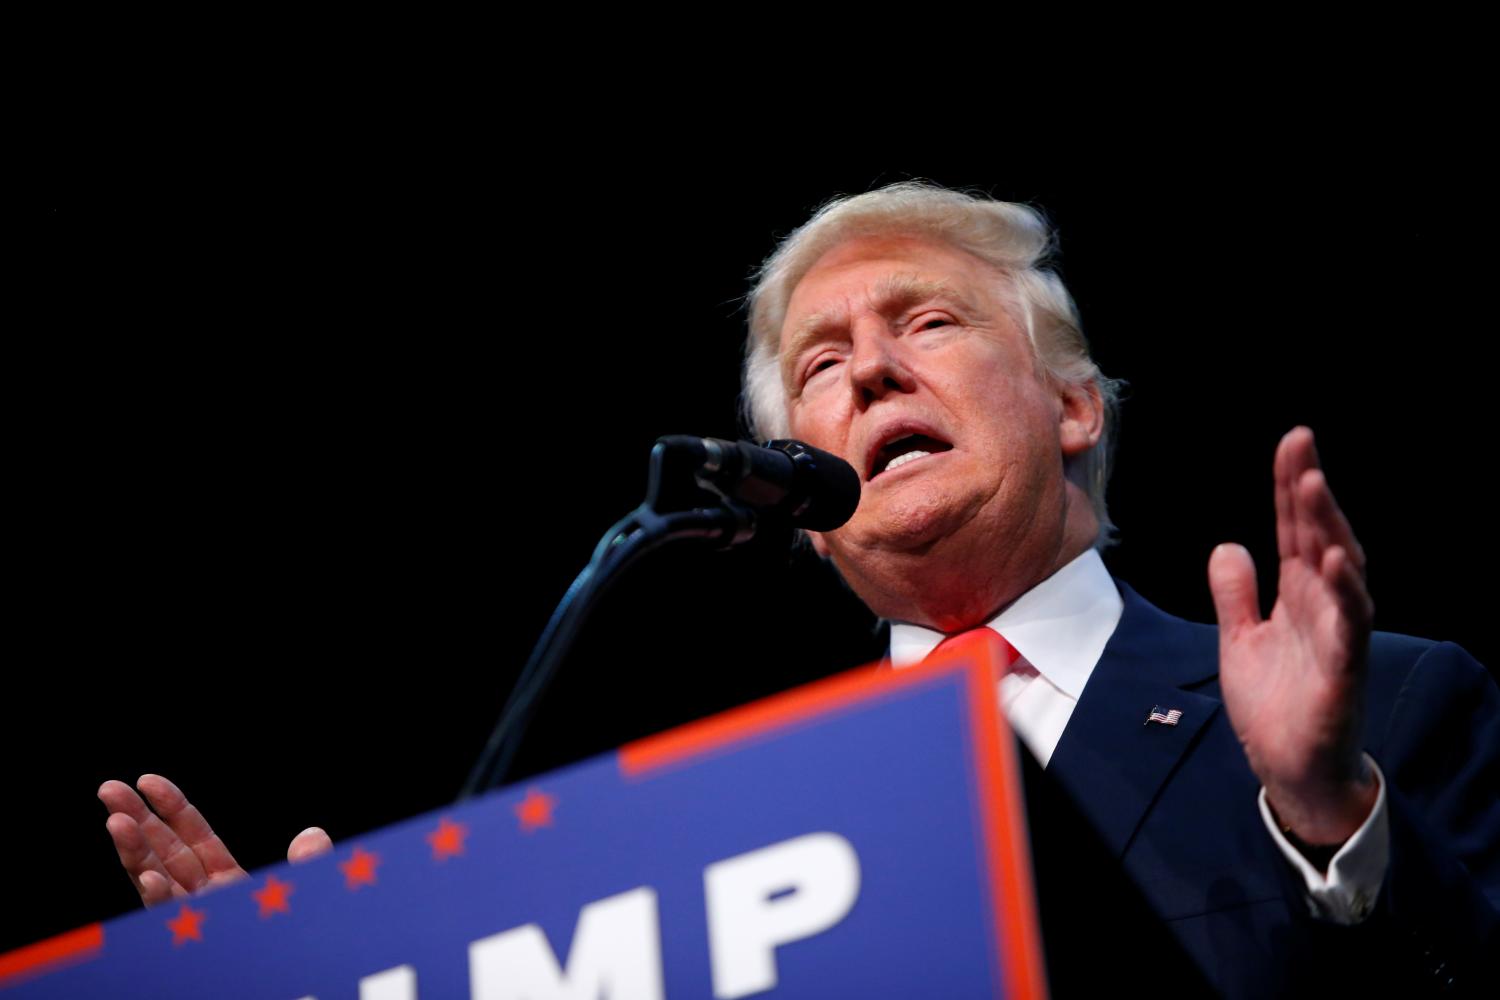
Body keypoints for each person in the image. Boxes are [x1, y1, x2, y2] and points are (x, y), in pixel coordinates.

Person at [100, 183, 1499, 994]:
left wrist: (1330, 817)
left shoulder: (1378, 713)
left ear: (1074, 405)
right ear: (802, 494)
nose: (872, 371)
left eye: (928, 324)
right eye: (822, 368)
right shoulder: (710, 827)